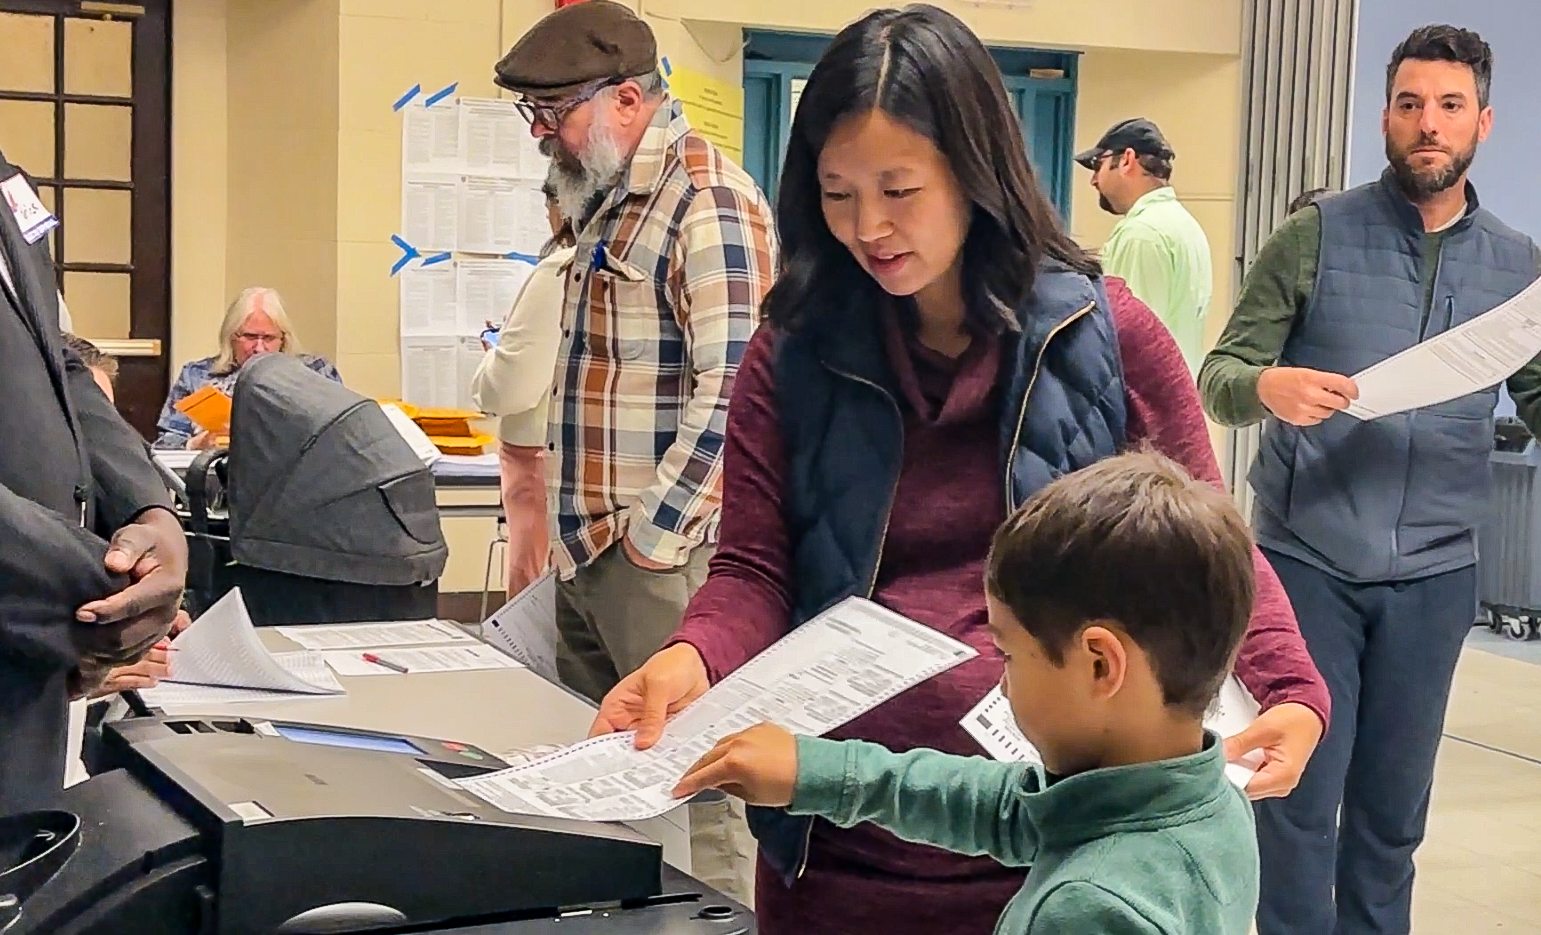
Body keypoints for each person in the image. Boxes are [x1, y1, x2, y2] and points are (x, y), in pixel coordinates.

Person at [589, 8, 1328, 933]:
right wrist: (689, 655)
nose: (869, 227)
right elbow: (753, 567)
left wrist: (1292, 690)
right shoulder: (793, 353)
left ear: (975, 172)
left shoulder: (1101, 334)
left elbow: (1204, 536)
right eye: (837, 192)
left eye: (899, 189)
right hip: (834, 836)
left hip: (1044, 831)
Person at [1198, 25, 1541, 935]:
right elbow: (1220, 378)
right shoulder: (1314, 234)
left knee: (1392, 814)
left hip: (1433, 576)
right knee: (1296, 799)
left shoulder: (1519, 268)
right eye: (1409, 104)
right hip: (1306, 559)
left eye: (1449, 105)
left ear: (1483, 122)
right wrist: (1266, 384)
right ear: (1383, 117)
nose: (1428, 123)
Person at [674, 450, 1261, 933]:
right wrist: (817, 772)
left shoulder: (1088, 907)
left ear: (1100, 665)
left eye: (1008, 654)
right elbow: (1008, 806)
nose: (1001, 681)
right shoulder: (1208, 805)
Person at [495, 0, 777, 904]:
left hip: (661, 559)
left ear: (627, 99)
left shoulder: (709, 200)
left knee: (703, 790)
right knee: (598, 789)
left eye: (555, 113)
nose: (544, 137)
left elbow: (734, 395)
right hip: (592, 554)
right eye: (532, 114)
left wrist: (653, 539)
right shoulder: (610, 200)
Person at [1, 145, 187, 815]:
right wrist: (103, 590)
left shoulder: (7, 183)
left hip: (27, 687)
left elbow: (64, 365)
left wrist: (152, 509)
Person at [470, 175, 576, 597]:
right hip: (585, 455)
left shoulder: (559, 270)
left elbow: (509, 389)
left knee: (532, 600)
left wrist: (493, 355)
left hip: (537, 458)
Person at [1077, 118, 1213, 375]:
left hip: (1144, 403)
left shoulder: (1142, 234)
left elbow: (1129, 342)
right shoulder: (1182, 224)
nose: (1093, 180)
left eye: (1098, 165)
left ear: (1127, 160)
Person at [155, 286, 342, 449]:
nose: (259, 348)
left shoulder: (316, 373)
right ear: (231, 337)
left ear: (283, 340)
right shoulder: (197, 375)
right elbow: (164, 445)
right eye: (250, 337)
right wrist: (197, 443)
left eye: (268, 338)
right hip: (219, 481)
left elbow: (342, 435)